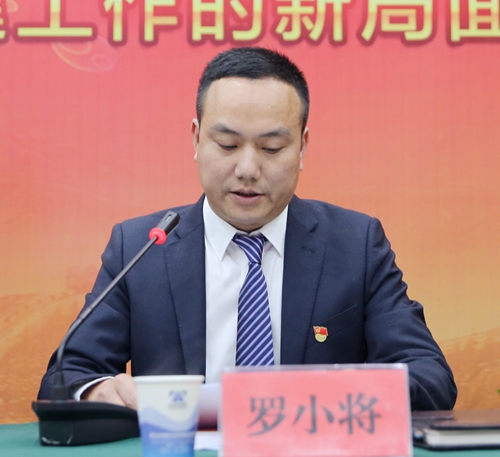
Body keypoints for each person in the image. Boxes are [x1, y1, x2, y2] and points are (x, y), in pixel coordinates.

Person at [38, 47, 456, 411]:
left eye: (271, 148)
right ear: (196, 139)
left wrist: (328, 396)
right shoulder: (140, 248)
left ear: (302, 146)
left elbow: (430, 377)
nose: (248, 169)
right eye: (228, 145)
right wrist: (100, 392)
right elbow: (67, 376)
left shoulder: (354, 244)